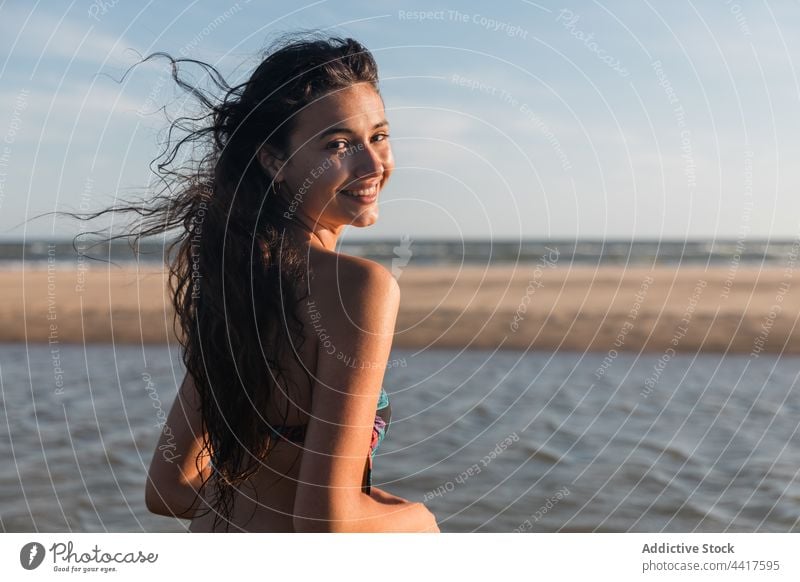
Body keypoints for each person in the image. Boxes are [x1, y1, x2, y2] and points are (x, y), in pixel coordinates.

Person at [133, 34, 439, 532]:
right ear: (275, 161)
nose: (371, 164)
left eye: (378, 136)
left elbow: (169, 489)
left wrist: (261, 508)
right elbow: (324, 525)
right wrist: (419, 521)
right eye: (338, 145)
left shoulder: (239, 280)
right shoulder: (358, 288)